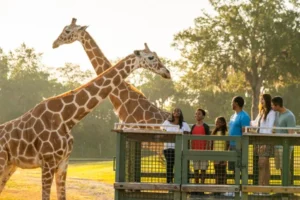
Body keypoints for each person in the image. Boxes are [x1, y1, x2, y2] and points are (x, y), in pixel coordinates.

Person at [225, 96, 250, 197]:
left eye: (232, 102)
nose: (231, 104)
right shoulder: (232, 116)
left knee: (239, 168)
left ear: (236, 103)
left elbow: (245, 133)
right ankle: (234, 188)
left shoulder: (244, 116)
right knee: (233, 168)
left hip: (239, 146)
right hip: (231, 145)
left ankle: (240, 189)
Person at [251, 94, 276, 189]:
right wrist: (246, 123)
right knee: (265, 165)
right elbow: (254, 123)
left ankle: (261, 188)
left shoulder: (272, 113)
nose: (261, 101)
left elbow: (269, 128)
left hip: (266, 141)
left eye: (263, 99)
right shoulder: (261, 112)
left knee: (262, 164)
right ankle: (265, 187)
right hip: (259, 141)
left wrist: (265, 143)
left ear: (267, 101)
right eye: (260, 99)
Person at [162, 107, 190, 183]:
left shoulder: (184, 124)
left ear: (181, 113)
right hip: (168, 148)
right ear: (172, 113)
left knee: (179, 166)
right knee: (170, 165)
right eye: (175, 111)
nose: (177, 112)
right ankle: (169, 182)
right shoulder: (167, 123)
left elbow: (188, 135)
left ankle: (179, 182)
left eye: (178, 111)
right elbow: (162, 132)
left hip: (180, 149)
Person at [271, 96, 296, 179]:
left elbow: (291, 133)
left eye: (273, 105)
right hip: (277, 146)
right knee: (281, 168)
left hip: (285, 147)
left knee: (285, 168)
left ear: (277, 105)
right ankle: (282, 189)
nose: (272, 107)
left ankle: (287, 189)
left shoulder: (289, 116)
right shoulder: (277, 114)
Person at [190, 108, 210, 196]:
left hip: (203, 151)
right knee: (195, 170)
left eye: (199, 114)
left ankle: (202, 188)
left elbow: (208, 139)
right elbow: (190, 139)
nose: (197, 115)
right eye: (196, 114)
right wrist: (191, 150)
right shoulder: (193, 127)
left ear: (203, 116)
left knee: (203, 170)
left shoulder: (206, 126)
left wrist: (206, 150)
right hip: (195, 151)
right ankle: (196, 188)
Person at [211, 116, 229, 196]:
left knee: (223, 172)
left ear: (223, 123)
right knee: (217, 172)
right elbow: (212, 144)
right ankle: (216, 189)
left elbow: (227, 144)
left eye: (219, 122)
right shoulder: (214, 133)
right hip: (215, 155)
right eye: (216, 122)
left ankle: (224, 190)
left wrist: (225, 157)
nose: (217, 123)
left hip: (223, 155)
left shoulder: (226, 133)